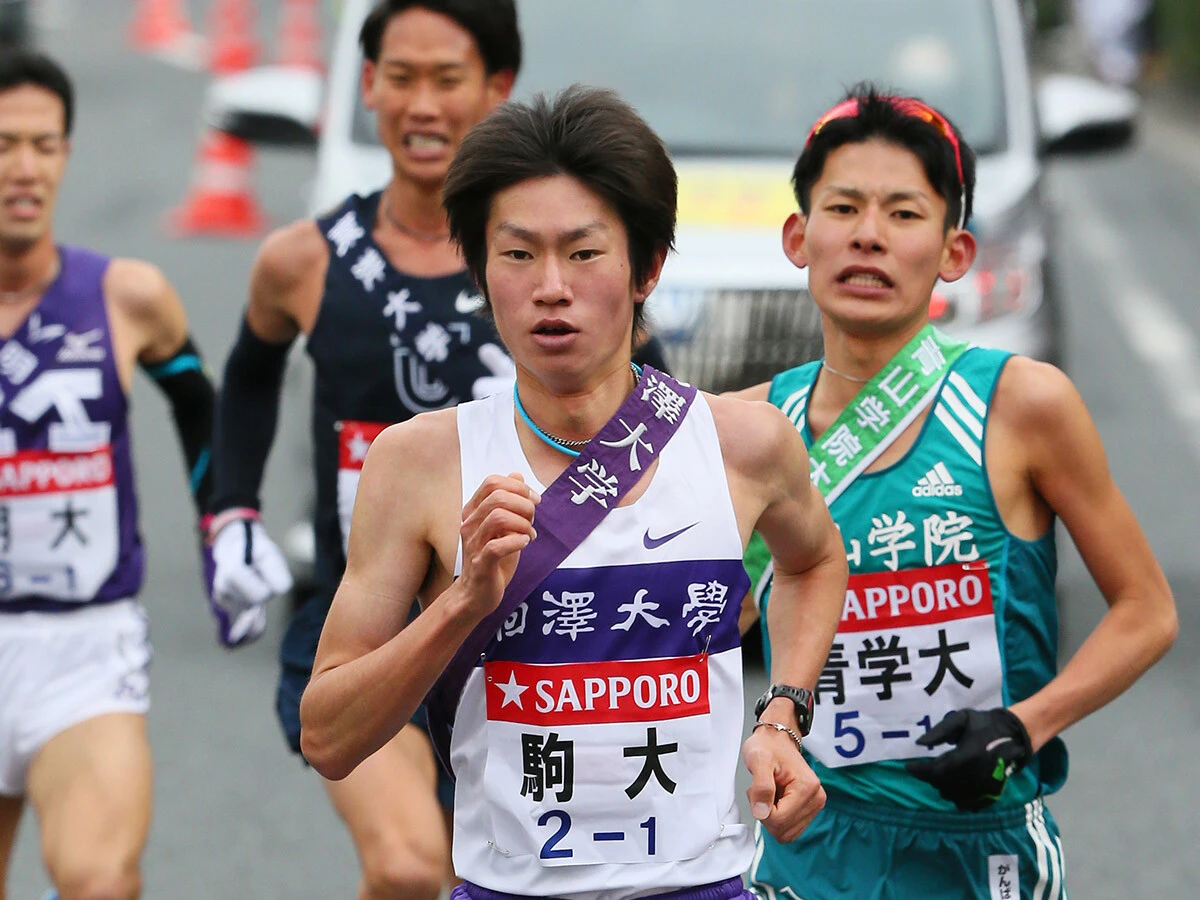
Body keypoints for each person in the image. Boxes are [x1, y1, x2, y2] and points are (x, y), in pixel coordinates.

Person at [298, 83, 848, 900]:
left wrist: (782, 717)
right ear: (482, 273)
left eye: (584, 253)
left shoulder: (742, 444)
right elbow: (328, 736)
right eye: (517, 254)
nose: (549, 286)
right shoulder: (419, 462)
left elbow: (813, 562)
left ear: (646, 269)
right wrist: (462, 602)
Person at [738, 84, 1178, 900]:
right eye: (844, 208)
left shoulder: (1022, 404)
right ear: (800, 236)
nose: (869, 236)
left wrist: (1026, 724)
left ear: (954, 253)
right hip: (810, 846)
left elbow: (1147, 610)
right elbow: (704, 619)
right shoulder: (753, 430)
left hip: (981, 845)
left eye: (904, 214)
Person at [205, 3, 520, 897]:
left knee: (489, 876)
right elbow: (249, 374)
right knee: (410, 864)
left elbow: (640, 397)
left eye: (448, 79)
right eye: (402, 77)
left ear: (496, 89)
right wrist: (233, 513)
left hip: (518, 632)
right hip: (359, 621)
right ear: (368, 85)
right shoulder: (304, 259)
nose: (423, 105)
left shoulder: (539, 262)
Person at [0, 51, 216, 900]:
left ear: (66, 152)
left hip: (84, 649)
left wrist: (223, 525)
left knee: (97, 879)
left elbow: (200, 400)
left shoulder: (127, 295)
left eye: (45, 145)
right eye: (5, 143)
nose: (24, 167)